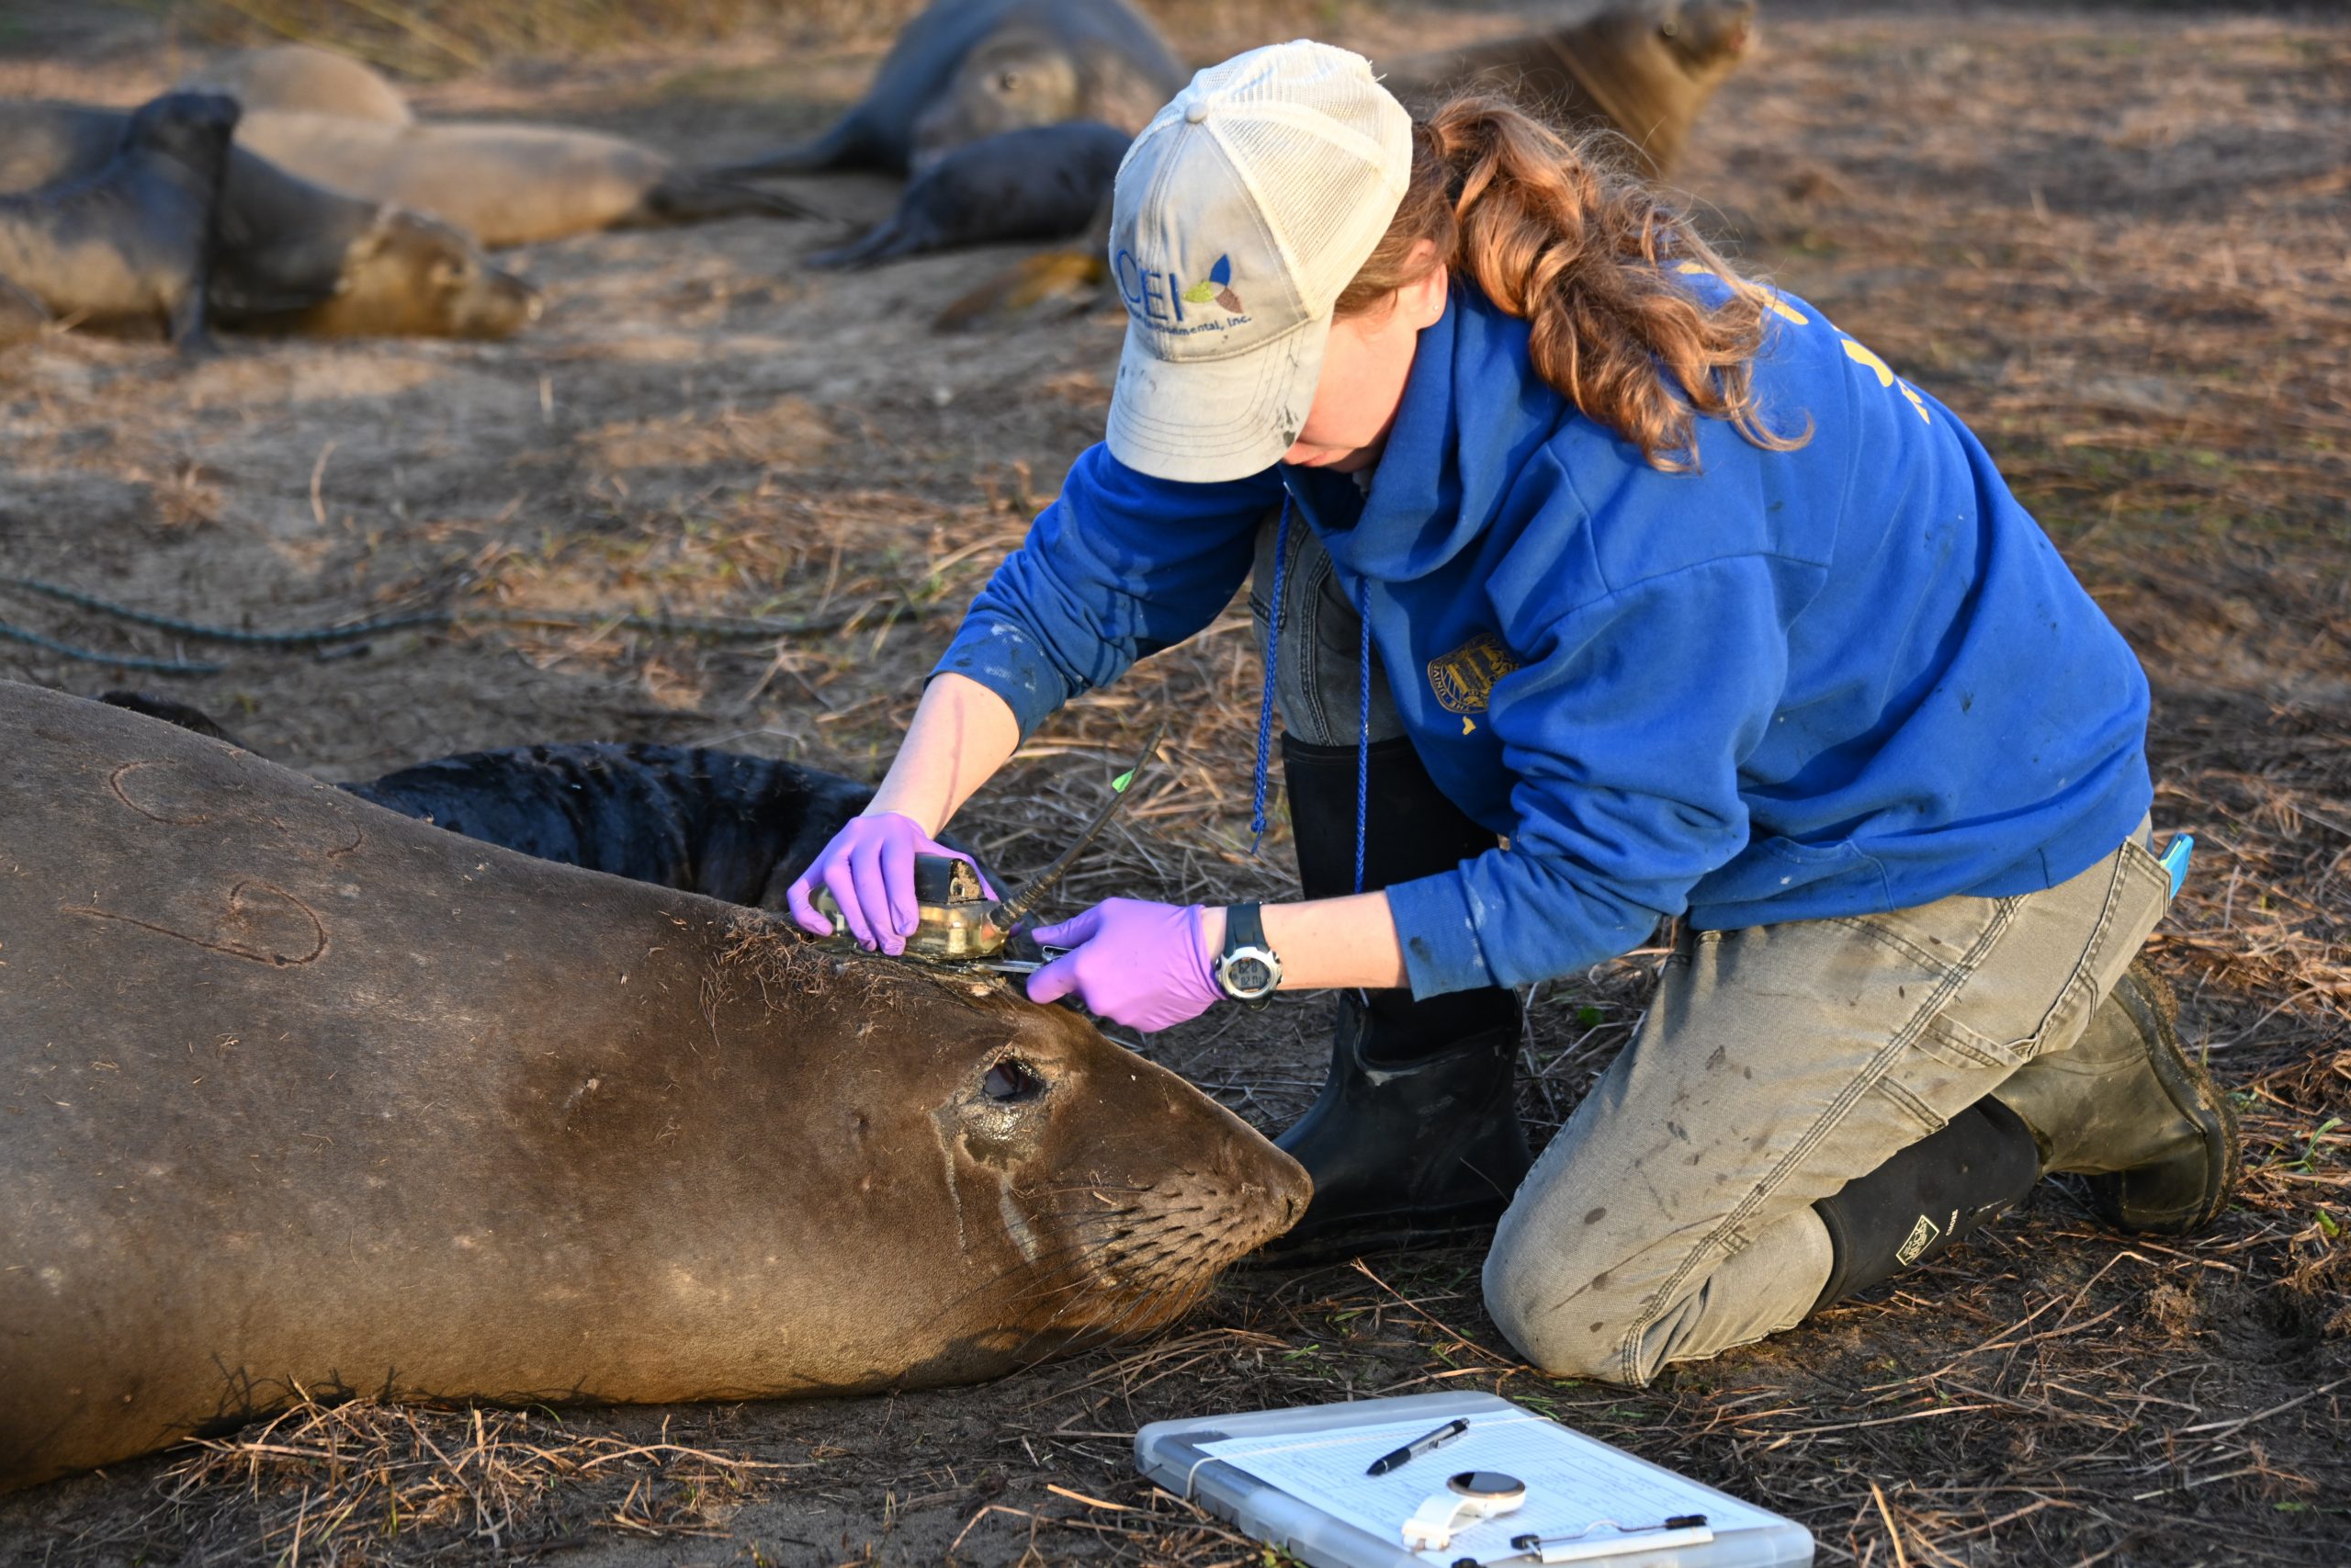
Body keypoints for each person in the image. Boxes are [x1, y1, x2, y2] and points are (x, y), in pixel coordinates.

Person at [786, 40, 2240, 1385]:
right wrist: (901, 808)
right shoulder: (1348, 322)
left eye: (1268, 390)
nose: (1239, 431)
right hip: (1730, 777)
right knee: (1324, 535)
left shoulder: (1637, 500)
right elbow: (1085, 574)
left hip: (1947, 843)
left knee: (1585, 1304)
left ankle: (2048, 1088)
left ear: (1411, 279)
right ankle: (1423, 1108)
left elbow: (1601, 880)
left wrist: (1228, 952)